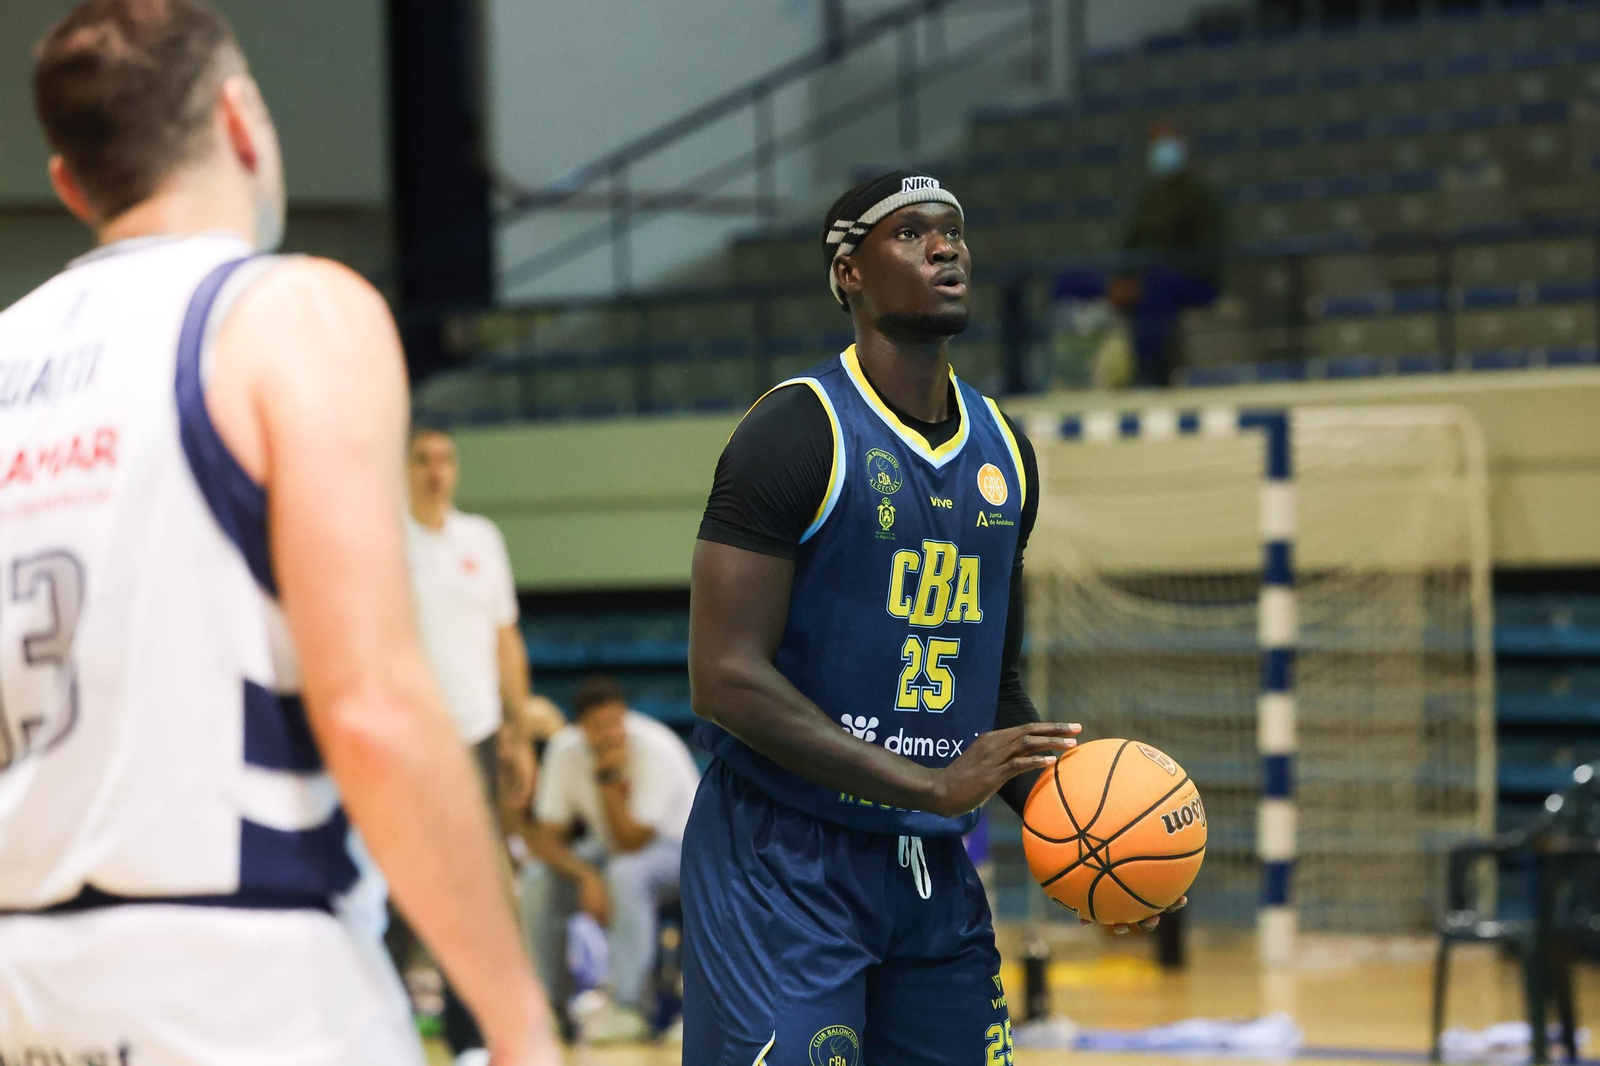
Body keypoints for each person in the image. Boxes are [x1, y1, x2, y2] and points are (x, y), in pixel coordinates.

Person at [0, 3, 558, 1064]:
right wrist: (521, 1022)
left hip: (24, 985)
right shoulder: (288, 311)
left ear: (69, 184)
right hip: (240, 969)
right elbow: (375, 707)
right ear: (240, 118)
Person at [684, 169, 1185, 1066]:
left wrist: (1098, 831)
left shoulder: (1006, 453)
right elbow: (722, 677)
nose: (944, 246)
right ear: (849, 274)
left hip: (925, 864)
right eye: (910, 234)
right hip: (782, 857)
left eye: (952, 230)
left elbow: (993, 687)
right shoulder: (797, 432)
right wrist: (928, 786)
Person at [399, 424, 564, 1063]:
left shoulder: (481, 540)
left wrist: (516, 729)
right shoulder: (387, 539)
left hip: (474, 735)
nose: (436, 470)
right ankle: (390, 1023)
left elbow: (505, 641)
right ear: (406, 468)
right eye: (422, 459)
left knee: (483, 888)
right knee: (400, 886)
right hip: (411, 739)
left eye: (444, 459)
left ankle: (473, 1037)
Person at [521, 677, 700, 1044]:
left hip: (683, 851)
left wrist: (607, 776)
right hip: (611, 851)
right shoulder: (564, 750)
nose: (610, 733)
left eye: (616, 722)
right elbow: (546, 837)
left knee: (625, 874)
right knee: (539, 878)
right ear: (580, 728)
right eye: (599, 726)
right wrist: (586, 875)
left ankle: (628, 1006)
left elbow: (632, 840)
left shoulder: (655, 748)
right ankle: (550, 1007)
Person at [1109, 121, 1228, 386]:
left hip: (1193, 283)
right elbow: (1130, 248)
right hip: (1146, 281)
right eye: (1156, 144)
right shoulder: (1147, 199)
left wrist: (1149, 278)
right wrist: (1122, 280)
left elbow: (1209, 254)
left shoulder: (1200, 195)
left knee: (1156, 287)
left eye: (1167, 143)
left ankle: (1150, 375)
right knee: (1075, 283)